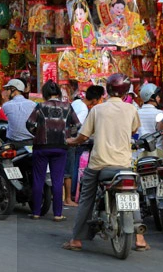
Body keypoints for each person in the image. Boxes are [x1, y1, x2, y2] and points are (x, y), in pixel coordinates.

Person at [63, 73, 149, 252]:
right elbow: (133, 129)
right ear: (126, 92)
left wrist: (72, 141)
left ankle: (77, 240)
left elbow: (84, 136)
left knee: (86, 198)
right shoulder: (131, 110)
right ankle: (140, 238)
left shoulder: (97, 110)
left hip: (99, 164)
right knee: (132, 196)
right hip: (123, 164)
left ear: (108, 90)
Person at [26, 80, 81, 221]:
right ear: (58, 93)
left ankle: (36, 212)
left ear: (45, 93)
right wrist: (69, 136)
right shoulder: (68, 107)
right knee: (58, 180)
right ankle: (58, 214)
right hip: (61, 147)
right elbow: (77, 125)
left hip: (41, 147)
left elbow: (30, 124)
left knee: (38, 179)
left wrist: (38, 133)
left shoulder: (40, 106)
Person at [65, 79, 88, 207]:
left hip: (62, 138)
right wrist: (73, 137)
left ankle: (67, 196)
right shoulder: (84, 109)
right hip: (71, 140)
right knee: (71, 168)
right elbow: (77, 124)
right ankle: (70, 196)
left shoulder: (76, 102)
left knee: (66, 168)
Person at [1, 79, 37, 147]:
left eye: (7, 89)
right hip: (31, 142)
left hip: (14, 143)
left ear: (13, 90)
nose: (6, 92)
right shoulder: (33, 104)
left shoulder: (6, 105)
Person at [137, 83, 163, 155]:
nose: (159, 98)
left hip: (139, 154)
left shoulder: (136, 113)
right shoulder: (160, 113)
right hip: (157, 153)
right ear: (152, 98)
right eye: (157, 96)